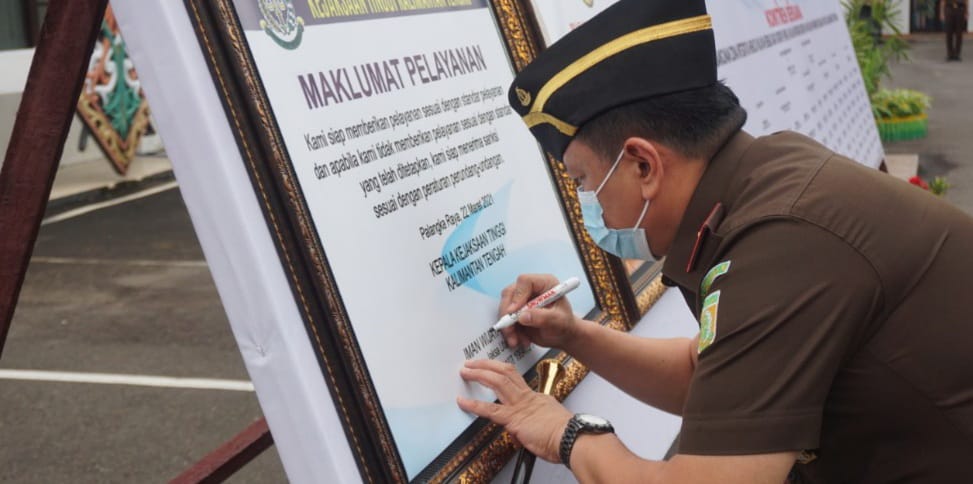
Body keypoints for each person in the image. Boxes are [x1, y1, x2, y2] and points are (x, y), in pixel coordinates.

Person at [455, 1, 973, 482]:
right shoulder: (764, 180)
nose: (588, 202)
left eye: (583, 180)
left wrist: (568, 436)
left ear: (643, 165)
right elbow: (706, 379)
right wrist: (572, 334)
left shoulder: (782, 243)